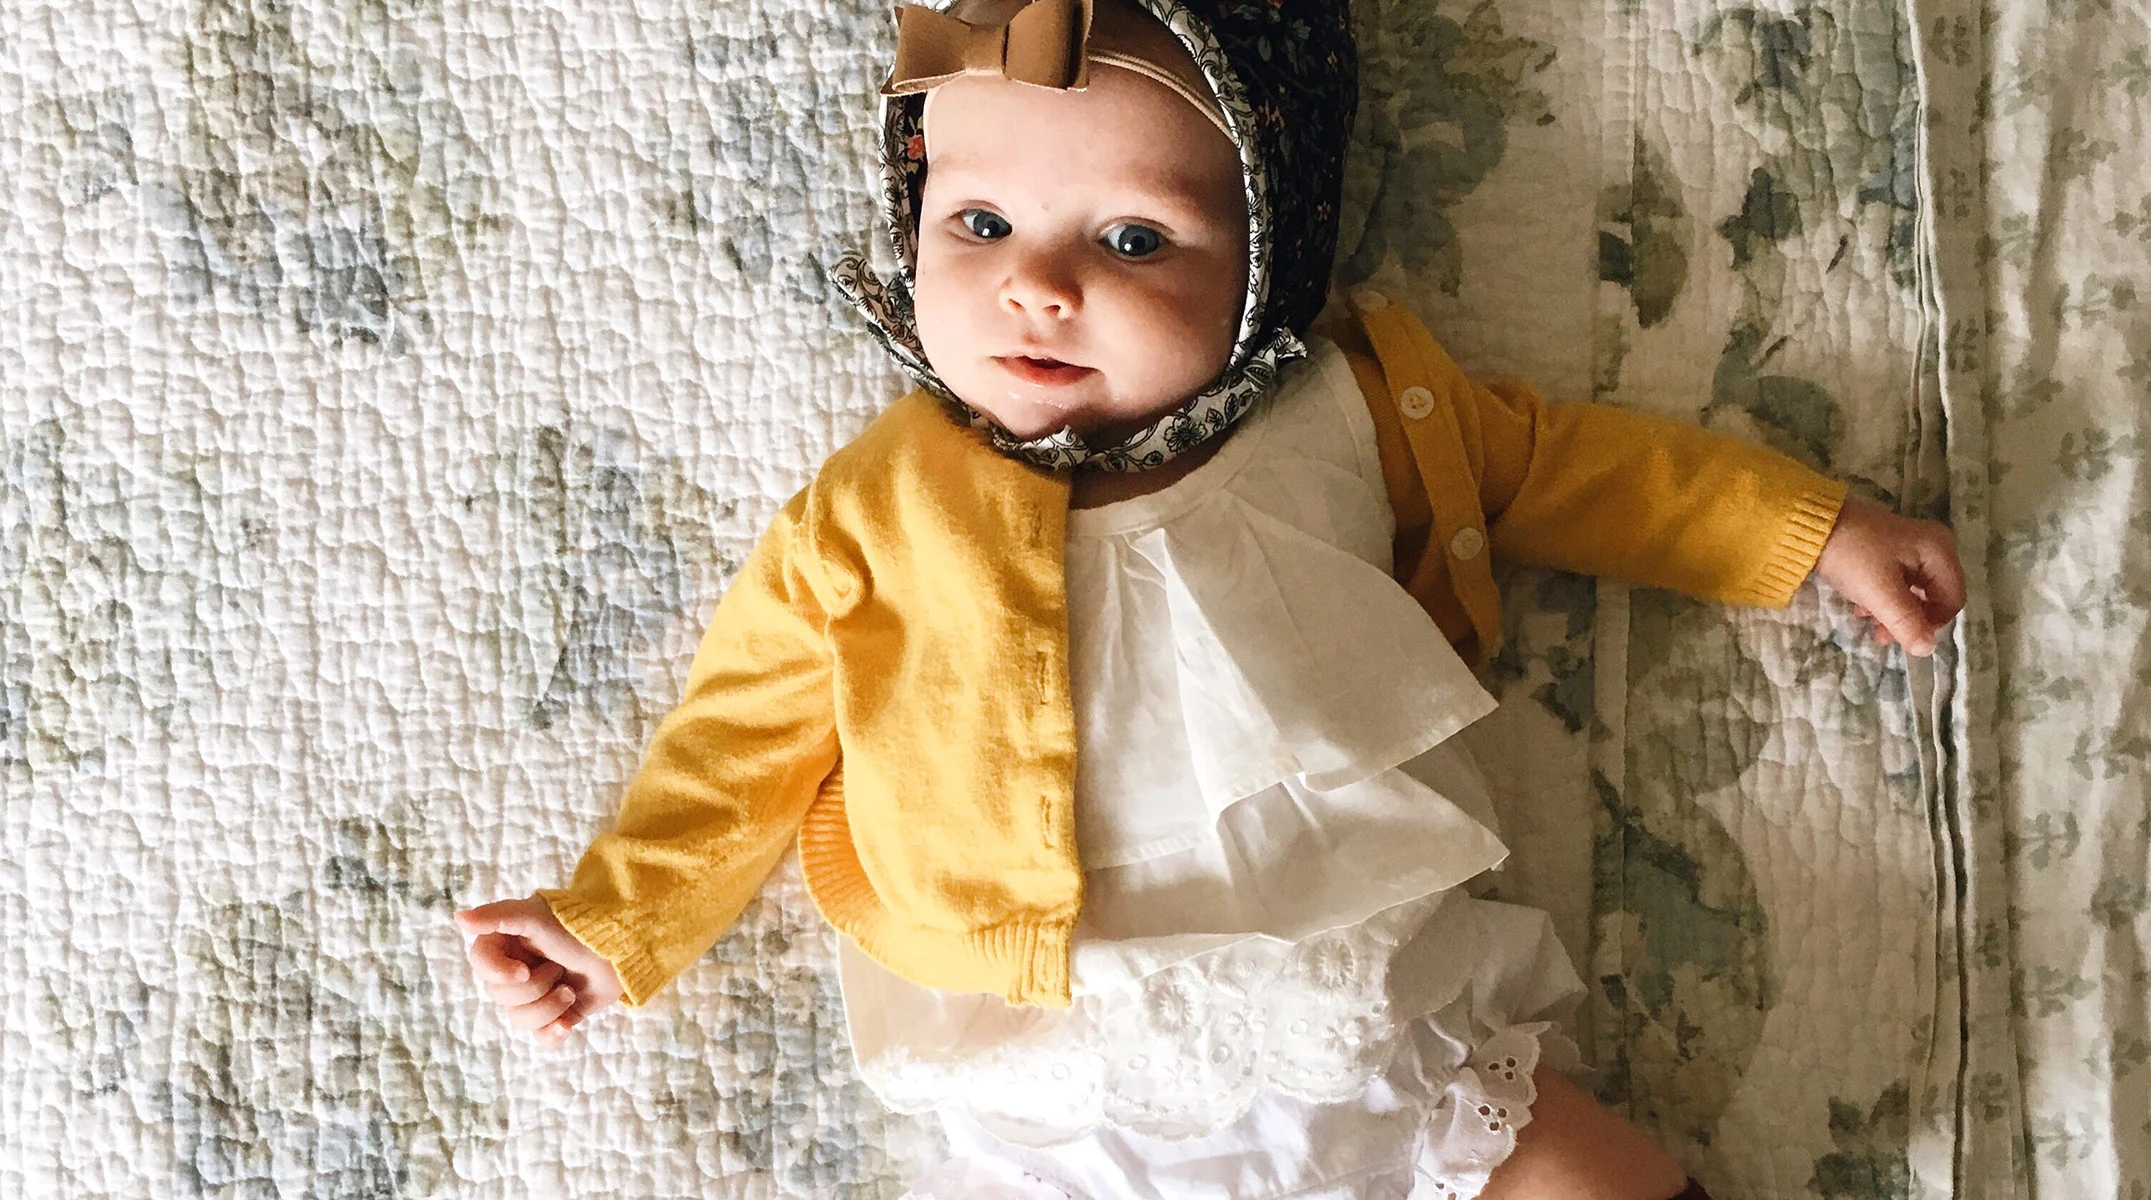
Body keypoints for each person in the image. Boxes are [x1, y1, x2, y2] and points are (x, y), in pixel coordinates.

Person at [453, 1, 1966, 1196]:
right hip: (1053, 1089)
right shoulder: (873, 508)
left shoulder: (1359, 411)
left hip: (1358, 1024)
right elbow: (741, 736)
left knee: (1577, 1168)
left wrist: (1811, 527)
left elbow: (1582, 472)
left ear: (1265, 258)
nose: (1039, 285)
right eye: (980, 225)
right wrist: (616, 920)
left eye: (1132, 240)